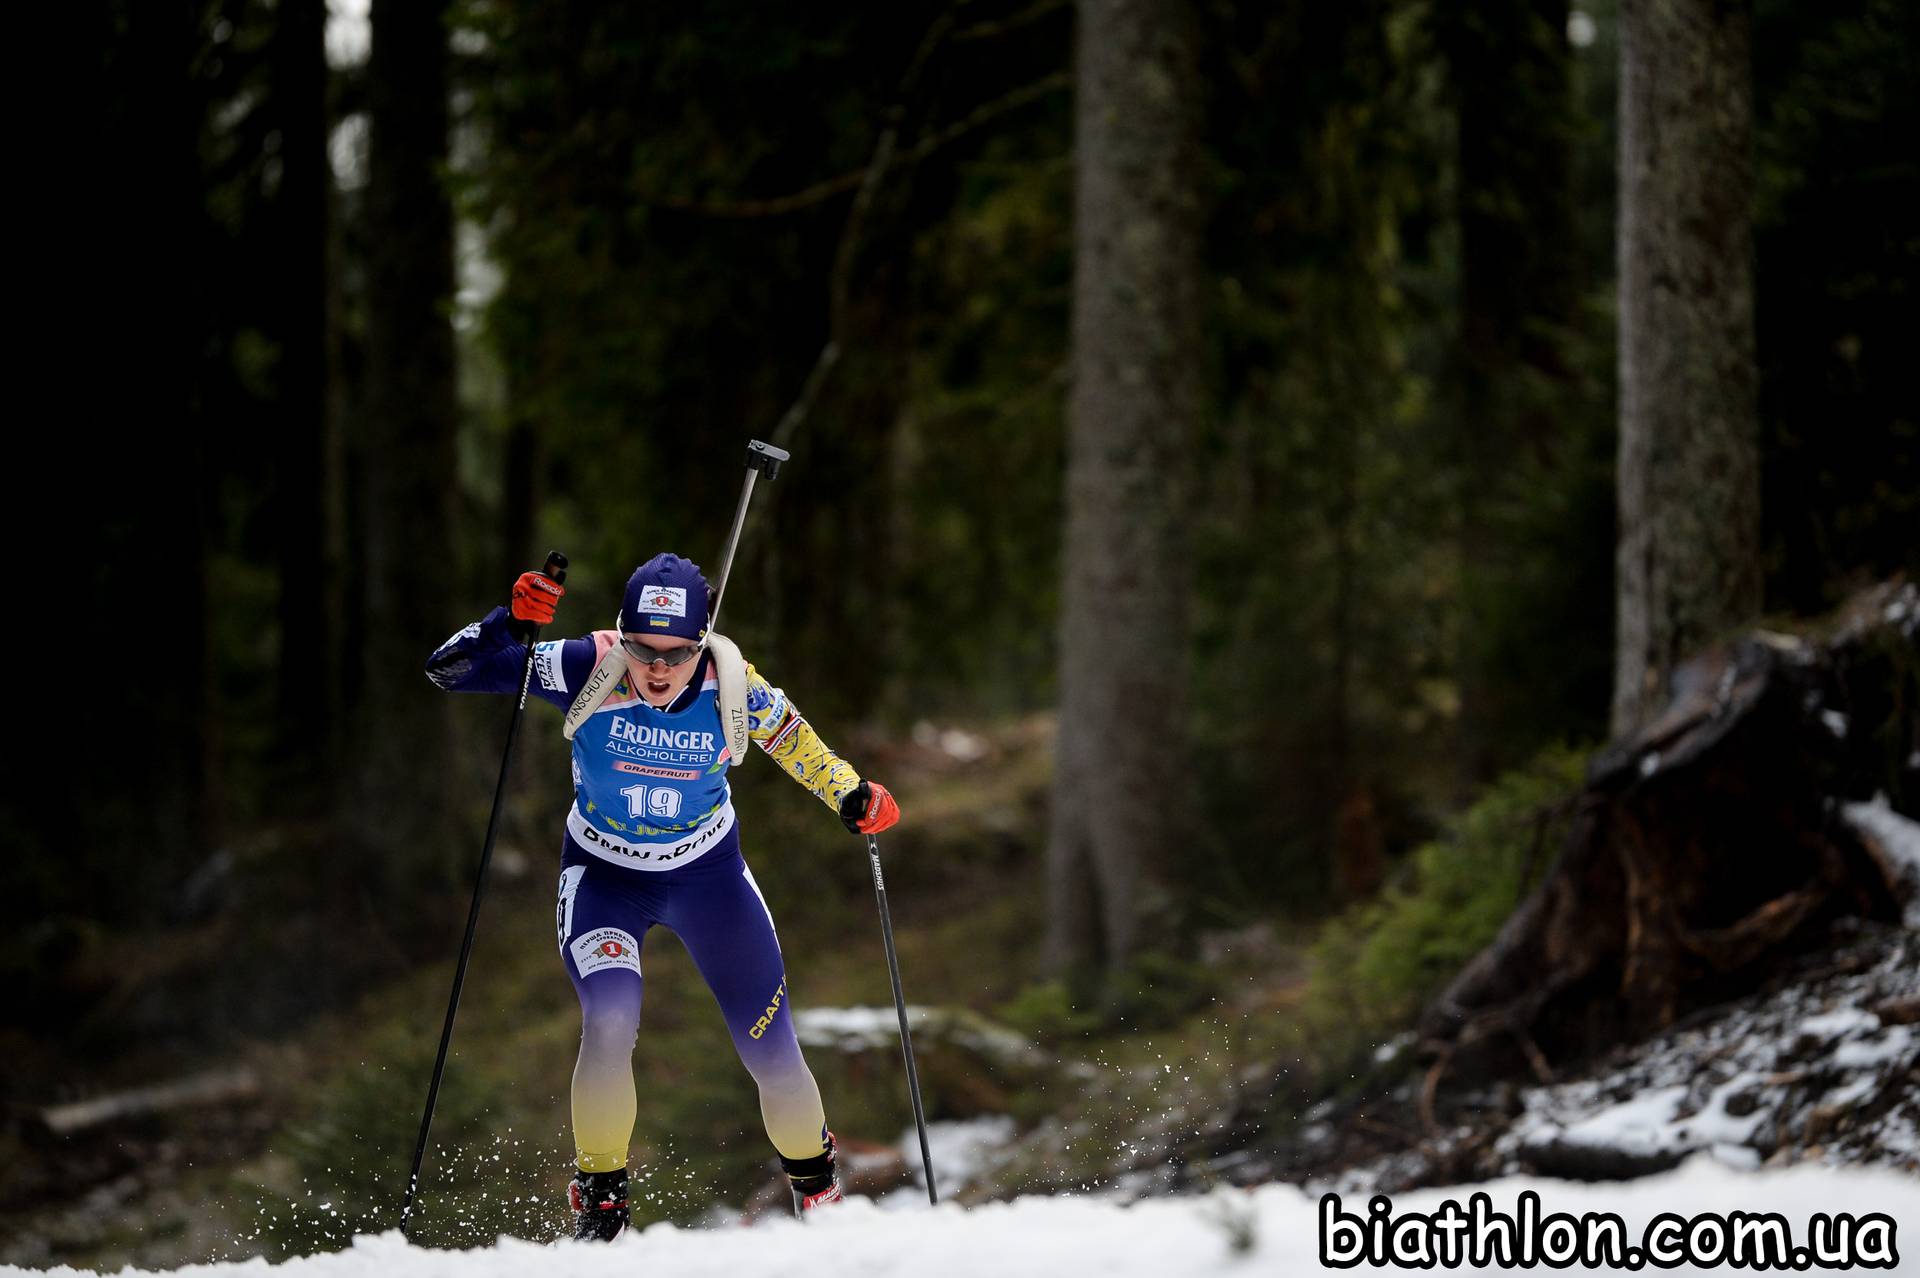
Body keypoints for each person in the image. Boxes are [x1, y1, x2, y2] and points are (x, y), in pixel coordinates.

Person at [424, 552, 900, 1239]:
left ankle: (821, 1196)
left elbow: (802, 748)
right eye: (644, 648)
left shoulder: (731, 683)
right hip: (604, 878)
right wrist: (508, 623)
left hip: (708, 875)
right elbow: (449, 670)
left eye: (676, 653)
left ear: (700, 643)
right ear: (623, 634)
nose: (656, 668)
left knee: (770, 1046)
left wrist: (852, 795)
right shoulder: (586, 663)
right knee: (611, 1018)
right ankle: (601, 1197)